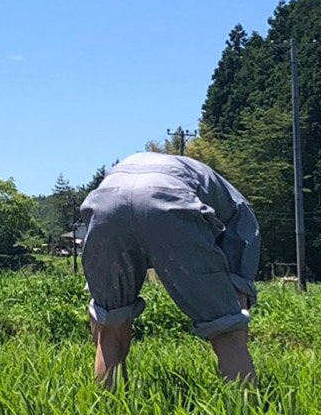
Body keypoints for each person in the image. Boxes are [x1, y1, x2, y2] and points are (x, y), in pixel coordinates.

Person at [79, 152, 260, 387]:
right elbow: (242, 245)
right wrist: (237, 297)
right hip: (168, 199)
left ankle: (106, 413)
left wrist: (104, 306)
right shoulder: (233, 202)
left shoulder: (188, 171)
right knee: (226, 329)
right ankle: (245, 411)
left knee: (111, 327)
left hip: (106, 201)